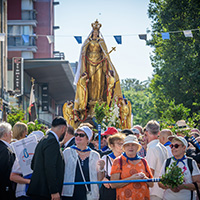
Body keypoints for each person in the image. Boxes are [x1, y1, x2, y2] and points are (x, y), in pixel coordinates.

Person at [74, 20, 122, 115]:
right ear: (92, 33)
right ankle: (91, 101)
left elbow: (104, 52)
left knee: (99, 82)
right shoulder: (88, 42)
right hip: (90, 63)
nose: (95, 34)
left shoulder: (101, 41)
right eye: (94, 32)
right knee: (91, 83)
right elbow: (83, 50)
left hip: (100, 64)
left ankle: (99, 99)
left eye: (96, 32)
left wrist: (105, 57)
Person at [27, 116, 67, 200]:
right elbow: (50, 167)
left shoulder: (43, 140)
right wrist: (54, 191)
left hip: (39, 191)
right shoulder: (52, 141)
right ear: (63, 129)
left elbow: (33, 165)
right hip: (45, 193)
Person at [62, 125, 105, 200]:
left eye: (81, 135)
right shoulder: (67, 152)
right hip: (69, 193)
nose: (78, 137)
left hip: (88, 194)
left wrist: (101, 168)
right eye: (76, 135)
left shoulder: (95, 155)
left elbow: (99, 179)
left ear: (88, 139)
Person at [110, 135, 154, 200]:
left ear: (137, 147)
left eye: (133, 145)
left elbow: (151, 184)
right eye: (127, 145)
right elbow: (113, 184)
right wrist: (132, 178)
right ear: (124, 148)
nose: (130, 147)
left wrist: (145, 178)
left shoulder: (143, 161)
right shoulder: (118, 161)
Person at [159, 135, 200, 200]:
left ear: (184, 148)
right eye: (171, 146)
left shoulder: (191, 162)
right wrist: (170, 186)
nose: (173, 148)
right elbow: (160, 182)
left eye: (176, 146)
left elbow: (198, 184)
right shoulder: (167, 162)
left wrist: (182, 186)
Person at [145, 120, 168, 200]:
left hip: (154, 191)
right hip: (162, 190)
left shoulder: (152, 148)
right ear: (159, 133)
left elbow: (150, 172)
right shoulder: (163, 147)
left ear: (146, 132)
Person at [100, 133, 125, 200]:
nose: (121, 146)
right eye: (119, 144)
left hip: (123, 189)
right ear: (112, 145)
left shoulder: (126, 158)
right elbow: (98, 172)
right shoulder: (105, 158)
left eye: (123, 143)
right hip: (109, 191)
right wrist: (103, 179)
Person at [10, 122, 32, 200]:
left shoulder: (10, 145)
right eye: (26, 131)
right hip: (22, 184)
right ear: (23, 132)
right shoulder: (23, 146)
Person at [0, 122, 16, 200]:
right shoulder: (5, 150)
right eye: (10, 132)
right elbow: (3, 170)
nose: (12, 135)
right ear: (5, 135)